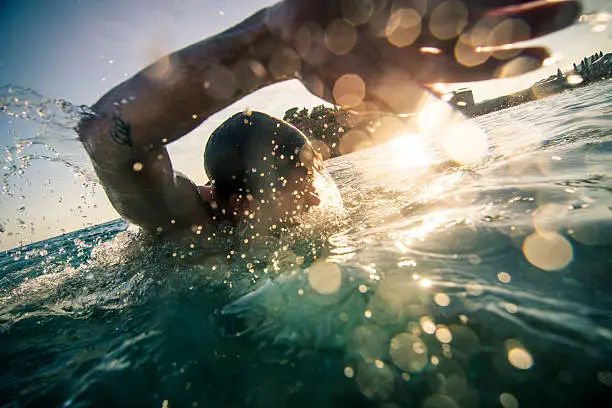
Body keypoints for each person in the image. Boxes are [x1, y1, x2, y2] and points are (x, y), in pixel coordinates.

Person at [77, 0, 580, 241]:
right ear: (236, 202)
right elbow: (105, 133)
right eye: (296, 177)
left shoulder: (309, 219)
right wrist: (271, 45)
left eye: (313, 168)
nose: (319, 190)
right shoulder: (188, 226)